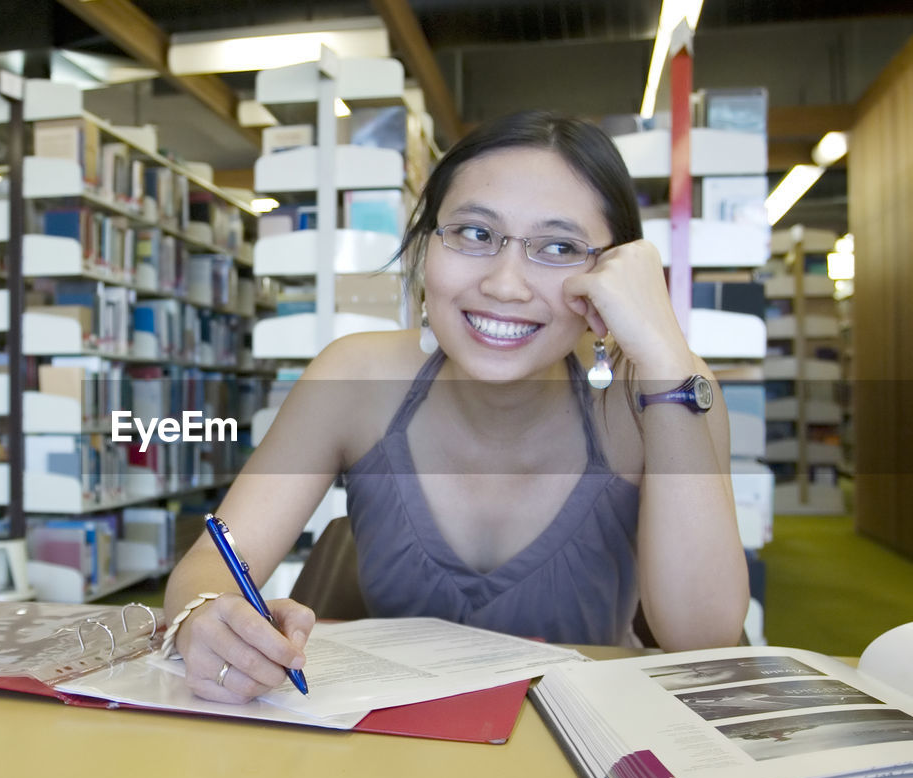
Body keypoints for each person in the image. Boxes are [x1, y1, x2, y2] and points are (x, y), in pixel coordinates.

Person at [164, 110, 749, 704]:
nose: (504, 284)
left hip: (586, 751)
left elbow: (703, 639)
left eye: (559, 246)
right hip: (393, 747)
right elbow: (213, 562)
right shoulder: (354, 375)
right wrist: (206, 617)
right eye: (474, 234)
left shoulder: (658, 389)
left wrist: (664, 352)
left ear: (609, 275)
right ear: (424, 248)